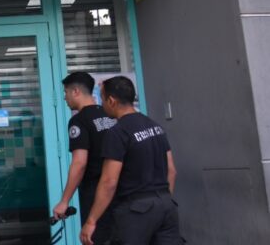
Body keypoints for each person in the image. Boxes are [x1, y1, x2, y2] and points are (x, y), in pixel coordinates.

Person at [80, 76, 182, 245]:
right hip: (166, 206)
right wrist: (163, 202)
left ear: (111, 101)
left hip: (136, 211)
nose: (101, 104)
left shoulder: (118, 132)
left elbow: (109, 182)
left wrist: (91, 221)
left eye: (102, 99)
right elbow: (172, 171)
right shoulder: (155, 126)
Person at [53, 72, 116, 244]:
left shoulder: (79, 120)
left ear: (76, 92)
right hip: (119, 193)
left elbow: (79, 163)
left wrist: (64, 201)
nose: (65, 98)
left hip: (96, 194)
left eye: (66, 92)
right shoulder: (110, 115)